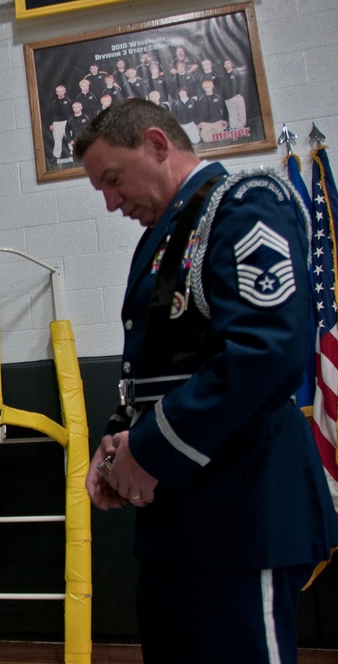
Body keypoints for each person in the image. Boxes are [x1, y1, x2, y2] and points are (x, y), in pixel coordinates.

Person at [73, 98, 338, 664]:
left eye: (113, 180)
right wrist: (118, 442)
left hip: (242, 513)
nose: (112, 202)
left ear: (157, 143)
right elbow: (159, 363)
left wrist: (150, 448)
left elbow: (266, 351)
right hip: (179, 518)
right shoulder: (166, 233)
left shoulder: (245, 205)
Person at [195, 79, 227, 143]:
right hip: (206, 122)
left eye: (209, 87)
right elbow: (198, 111)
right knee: (207, 140)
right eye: (206, 88)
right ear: (204, 89)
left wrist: (224, 119)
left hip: (217, 121)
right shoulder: (201, 98)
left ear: (212, 87)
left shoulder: (218, 97)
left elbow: (224, 109)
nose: (208, 89)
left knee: (220, 139)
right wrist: (199, 122)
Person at [48, 84, 74, 162]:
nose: (60, 93)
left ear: (65, 91)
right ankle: (56, 155)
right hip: (57, 123)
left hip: (67, 122)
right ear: (56, 92)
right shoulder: (54, 102)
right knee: (57, 139)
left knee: (70, 138)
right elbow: (51, 113)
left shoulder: (69, 100)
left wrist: (71, 122)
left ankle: (74, 153)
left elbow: (73, 111)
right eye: (58, 92)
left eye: (62, 91)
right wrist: (51, 123)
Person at [222, 58, 246, 130]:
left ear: (232, 64)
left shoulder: (236, 73)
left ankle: (241, 128)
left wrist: (240, 94)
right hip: (228, 99)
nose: (226, 65)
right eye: (225, 64)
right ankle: (234, 128)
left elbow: (242, 83)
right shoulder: (224, 76)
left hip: (236, 97)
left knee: (241, 113)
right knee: (232, 114)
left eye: (228, 63)